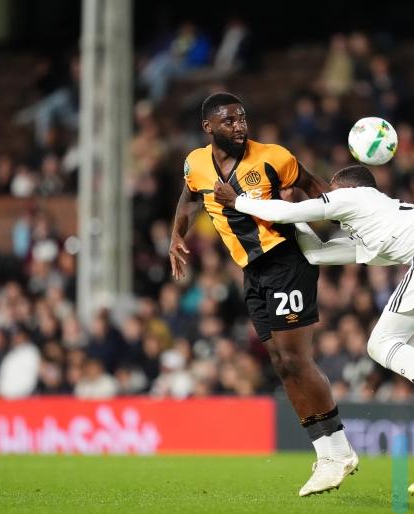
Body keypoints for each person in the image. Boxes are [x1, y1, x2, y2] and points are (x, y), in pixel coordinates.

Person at [213, 165, 414, 497]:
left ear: (342, 187)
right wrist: (299, 223)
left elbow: (284, 211)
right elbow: (316, 253)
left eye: (330, 190)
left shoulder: (353, 197)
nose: (328, 195)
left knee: (381, 343)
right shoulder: (378, 223)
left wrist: (237, 202)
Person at [169, 92, 357, 497]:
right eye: (229, 121)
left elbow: (314, 186)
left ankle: (339, 450)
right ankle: (325, 453)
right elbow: (188, 197)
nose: (239, 127)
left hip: (286, 260)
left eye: (242, 119)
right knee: (279, 363)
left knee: (296, 358)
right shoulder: (195, 163)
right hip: (251, 271)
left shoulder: (274, 157)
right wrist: (175, 236)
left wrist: (346, 218)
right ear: (208, 128)